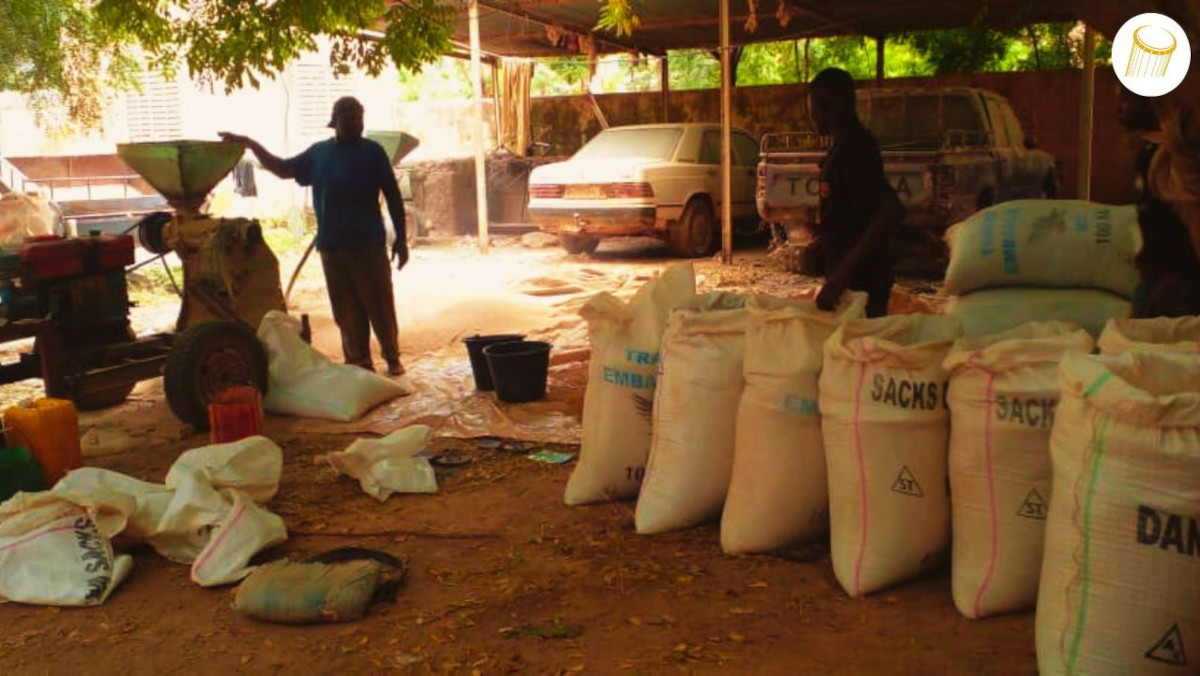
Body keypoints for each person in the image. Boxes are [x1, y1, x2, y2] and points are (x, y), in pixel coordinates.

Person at [220, 97, 410, 375]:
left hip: (368, 244)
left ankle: (392, 357)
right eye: (349, 117)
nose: (356, 123)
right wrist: (251, 143)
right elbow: (282, 168)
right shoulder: (319, 154)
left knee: (379, 302)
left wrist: (401, 241)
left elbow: (393, 196)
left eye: (359, 117)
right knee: (346, 309)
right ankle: (359, 364)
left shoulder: (373, 152)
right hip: (332, 246)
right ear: (336, 122)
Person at [807, 68, 905, 318]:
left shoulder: (856, 147)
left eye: (811, 109)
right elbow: (857, 208)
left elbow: (889, 210)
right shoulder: (843, 147)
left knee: (860, 352)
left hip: (864, 282)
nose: (811, 117)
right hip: (852, 281)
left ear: (824, 107)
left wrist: (840, 277)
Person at [1116, 87, 1200, 318]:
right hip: (1160, 276)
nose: (1119, 108)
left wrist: (1179, 274)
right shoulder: (1149, 156)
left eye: (1126, 99)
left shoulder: (1176, 162)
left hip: (1180, 283)